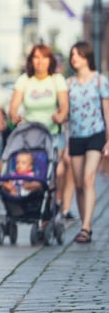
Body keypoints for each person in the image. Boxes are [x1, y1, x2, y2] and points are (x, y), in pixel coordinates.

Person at [8, 44, 69, 216]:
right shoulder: (24, 80)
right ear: (31, 61)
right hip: (29, 136)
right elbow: (13, 106)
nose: (40, 62)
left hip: (52, 134)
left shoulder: (57, 80)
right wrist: (14, 115)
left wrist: (61, 115)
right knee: (31, 172)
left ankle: (55, 202)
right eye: (36, 57)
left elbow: (64, 105)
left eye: (44, 58)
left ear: (50, 61)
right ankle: (34, 205)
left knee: (58, 171)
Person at [66, 41, 109, 243]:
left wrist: (108, 140)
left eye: (78, 54)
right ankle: (85, 225)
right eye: (72, 54)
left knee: (87, 179)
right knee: (78, 184)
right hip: (75, 136)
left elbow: (107, 113)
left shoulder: (100, 81)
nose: (74, 57)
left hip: (96, 134)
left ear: (87, 57)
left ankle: (86, 226)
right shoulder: (68, 84)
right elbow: (66, 115)